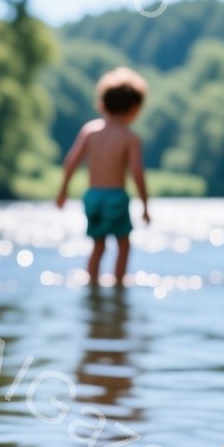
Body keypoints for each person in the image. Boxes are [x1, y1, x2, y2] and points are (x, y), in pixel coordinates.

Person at [56, 67, 150, 286]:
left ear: (103, 103)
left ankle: (92, 285)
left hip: (92, 197)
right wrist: (145, 205)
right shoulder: (129, 137)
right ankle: (119, 285)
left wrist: (63, 191)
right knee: (123, 245)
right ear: (134, 108)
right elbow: (137, 172)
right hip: (115, 197)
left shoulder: (90, 131)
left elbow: (71, 161)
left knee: (98, 245)